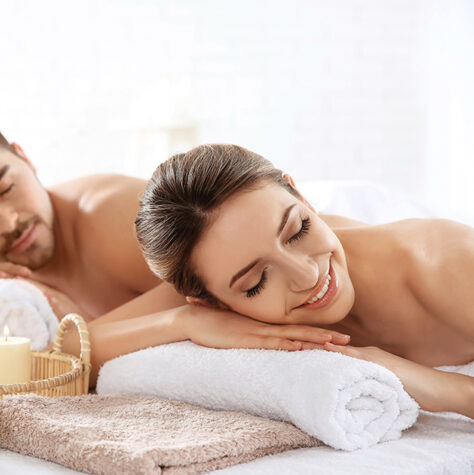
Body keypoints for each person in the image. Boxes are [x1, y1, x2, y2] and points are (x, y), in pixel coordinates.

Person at [0, 110, 350, 386]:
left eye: (5, 185)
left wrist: (174, 321)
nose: (8, 221)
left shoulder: (110, 219)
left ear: (25, 156)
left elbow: (261, 283)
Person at [135, 143, 474, 418]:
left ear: (301, 197)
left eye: (299, 230)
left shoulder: (445, 263)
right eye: (256, 282)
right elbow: (82, 348)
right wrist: (183, 322)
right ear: (212, 302)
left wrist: (446, 389)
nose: (307, 275)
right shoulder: (213, 264)